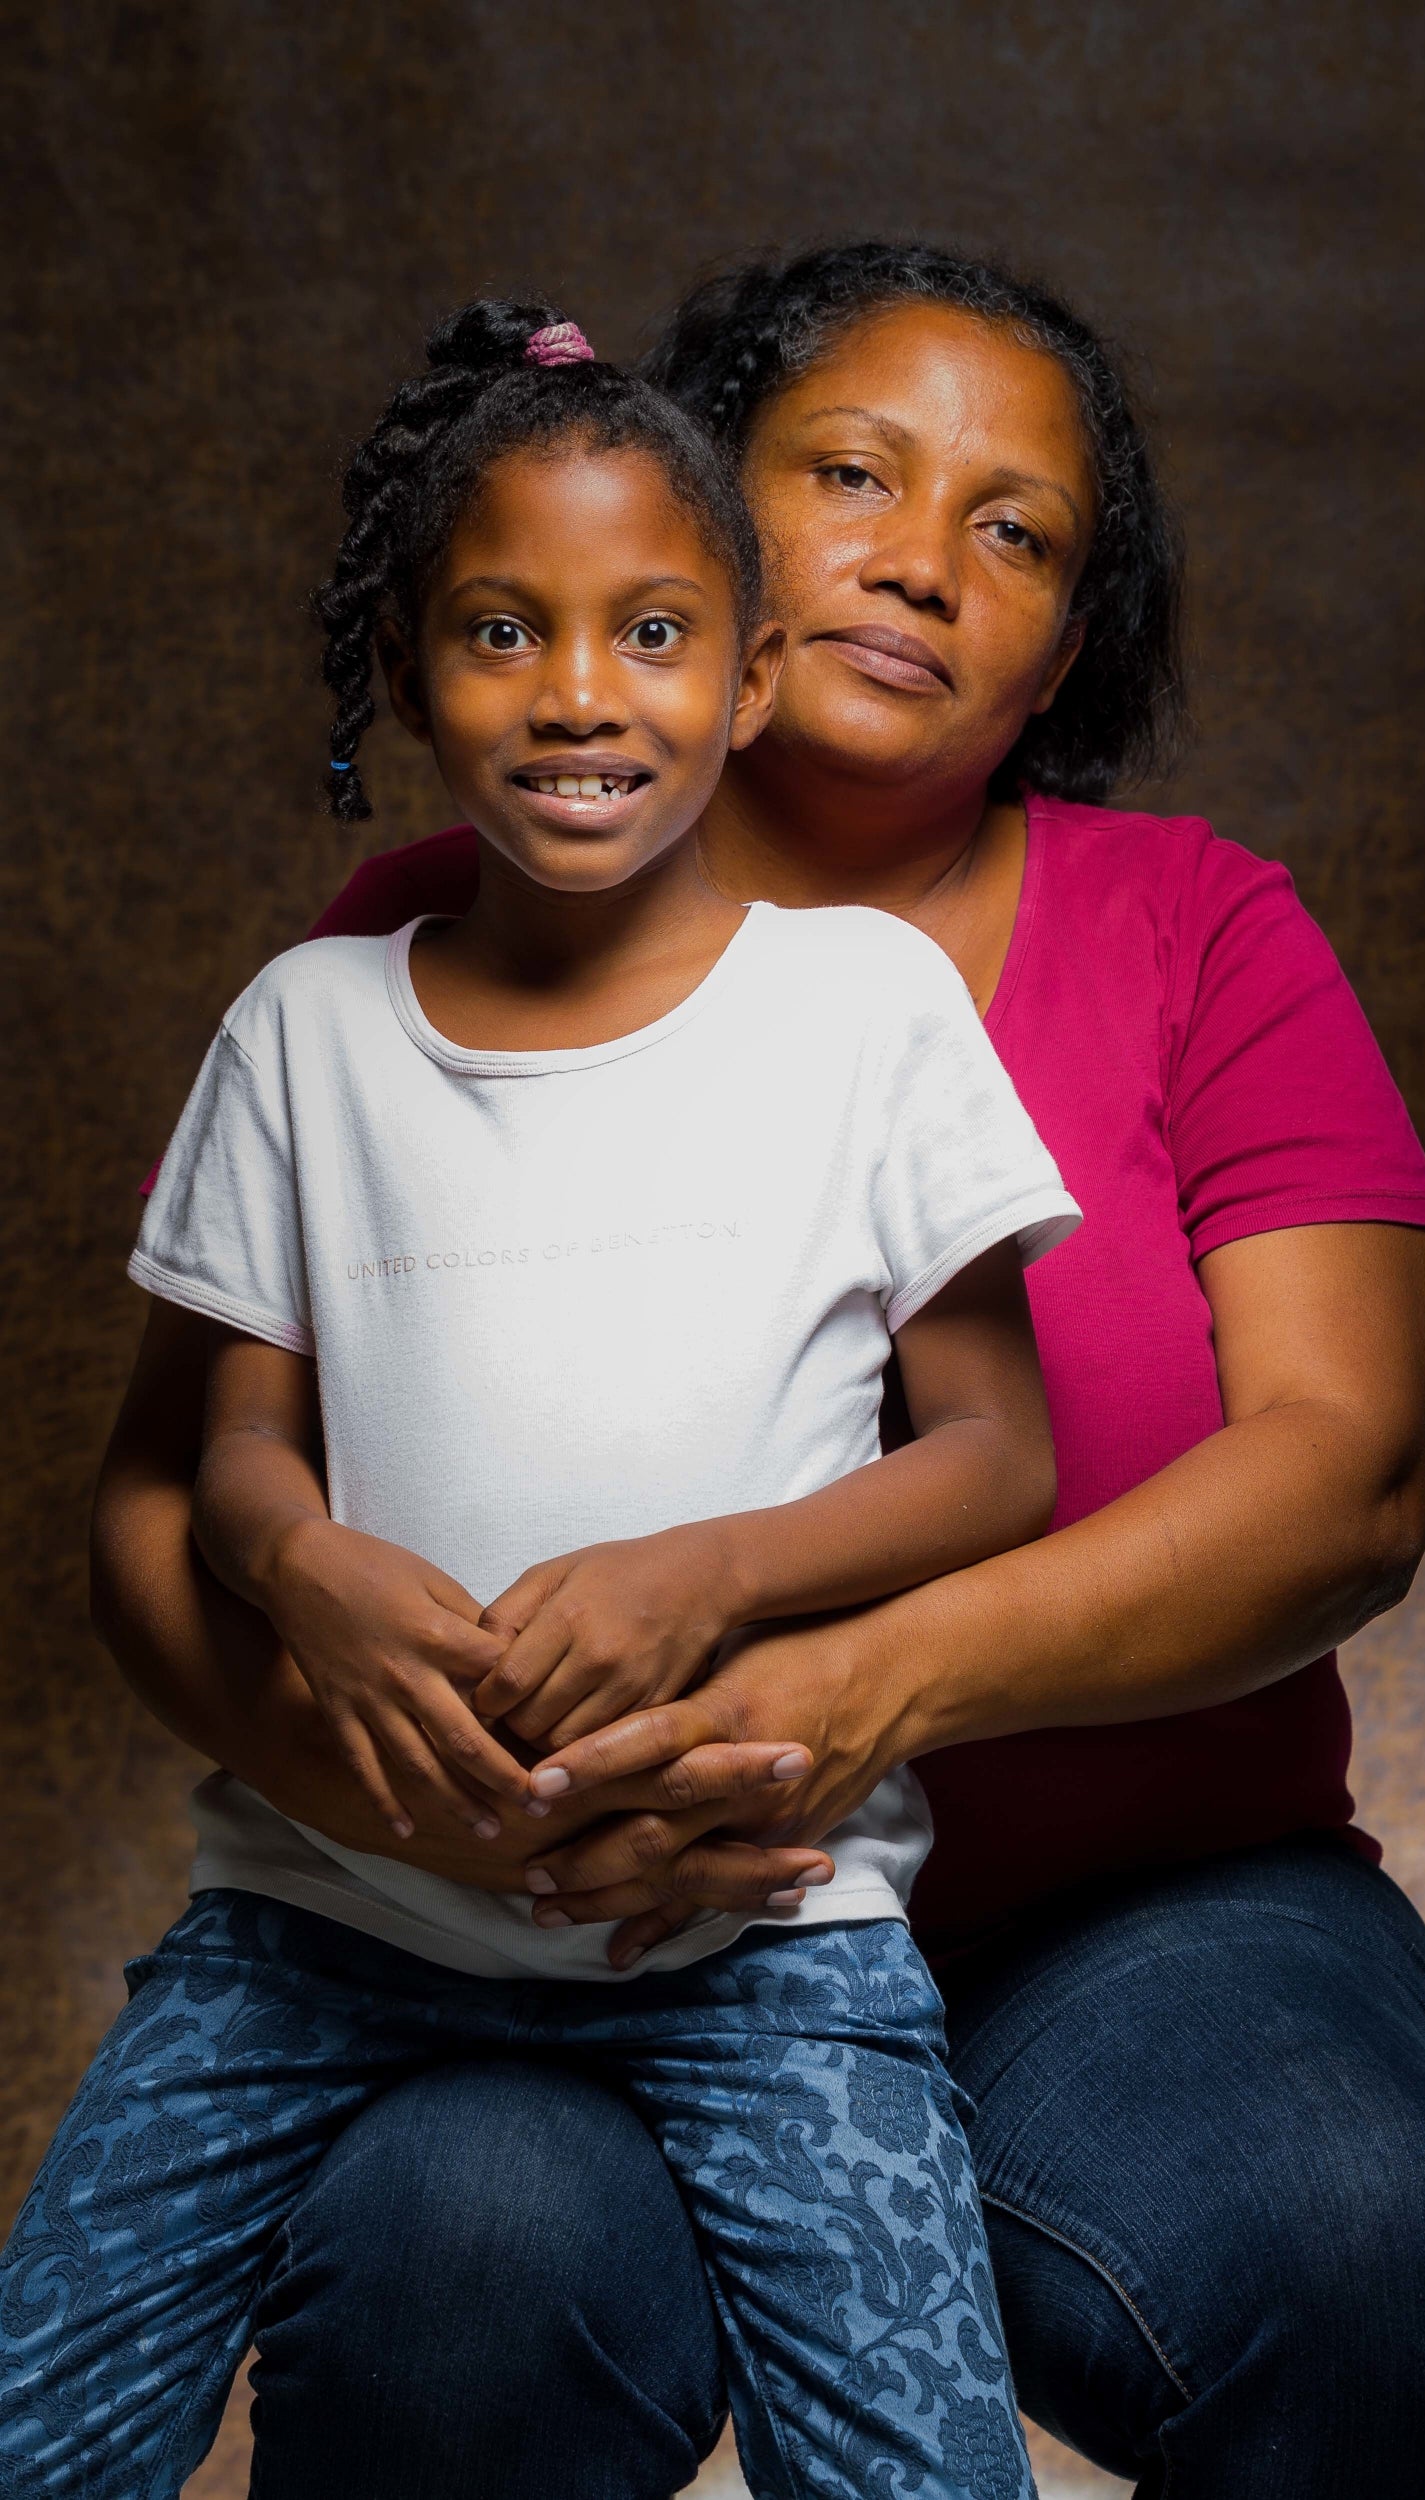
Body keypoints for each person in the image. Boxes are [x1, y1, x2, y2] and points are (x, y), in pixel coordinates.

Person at [84, 246, 1425, 2497]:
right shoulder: (399, 954)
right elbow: (175, 1500)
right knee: (455, 2260)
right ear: (705, 523)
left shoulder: (1197, 925)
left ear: (1074, 639)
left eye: (1020, 530)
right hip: (541, 1907)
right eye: (854, 473)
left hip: (1134, 1916)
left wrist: (855, 1697)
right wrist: (405, 1802)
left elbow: (1352, 1473)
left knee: (1378, 2256)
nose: (925, 557)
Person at [0, 300, 1087, 2500]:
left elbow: (1002, 1452)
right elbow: (224, 1444)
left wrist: (710, 1576)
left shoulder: (863, 1009)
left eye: (656, 629)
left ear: (753, 672)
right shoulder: (306, 1029)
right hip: (325, 1913)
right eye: (505, 628)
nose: (582, 692)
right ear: (410, 674)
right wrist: (301, 1560)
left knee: (922, 2474)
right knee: (48, 2428)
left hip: (763, 1927)